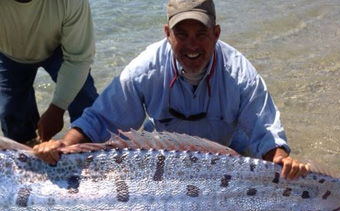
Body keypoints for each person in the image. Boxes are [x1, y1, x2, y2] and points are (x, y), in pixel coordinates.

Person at [34, 0, 309, 180]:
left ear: (216, 34)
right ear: (167, 34)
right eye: (182, 35)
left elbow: (266, 134)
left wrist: (284, 163)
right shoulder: (146, 68)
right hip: (166, 157)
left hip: (228, 154)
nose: (192, 46)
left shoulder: (240, 74)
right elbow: (100, 120)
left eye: (201, 34)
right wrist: (60, 147)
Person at [0, 0, 98, 144]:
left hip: (59, 47)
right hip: (8, 54)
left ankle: (91, 155)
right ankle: (30, 161)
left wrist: (57, 108)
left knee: (85, 104)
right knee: (12, 117)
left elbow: (79, 59)